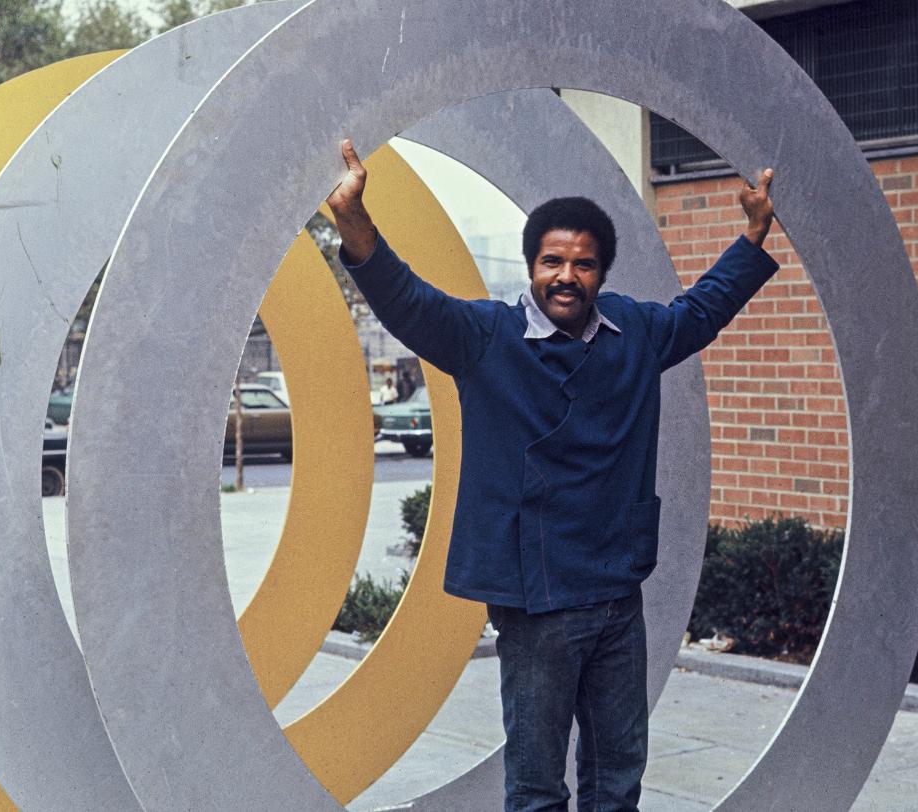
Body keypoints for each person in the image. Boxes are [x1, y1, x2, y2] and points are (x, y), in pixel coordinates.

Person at [327, 139, 777, 812]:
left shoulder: (637, 332)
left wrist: (752, 235)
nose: (567, 276)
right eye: (553, 261)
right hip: (538, 606)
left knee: (617, 778)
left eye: (583, 264)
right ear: (532, 266)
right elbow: (408, 300)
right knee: (538, 787)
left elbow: (702, 310)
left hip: (617, 595)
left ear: (601, 273)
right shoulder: (486, 337)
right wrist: (354, 220)